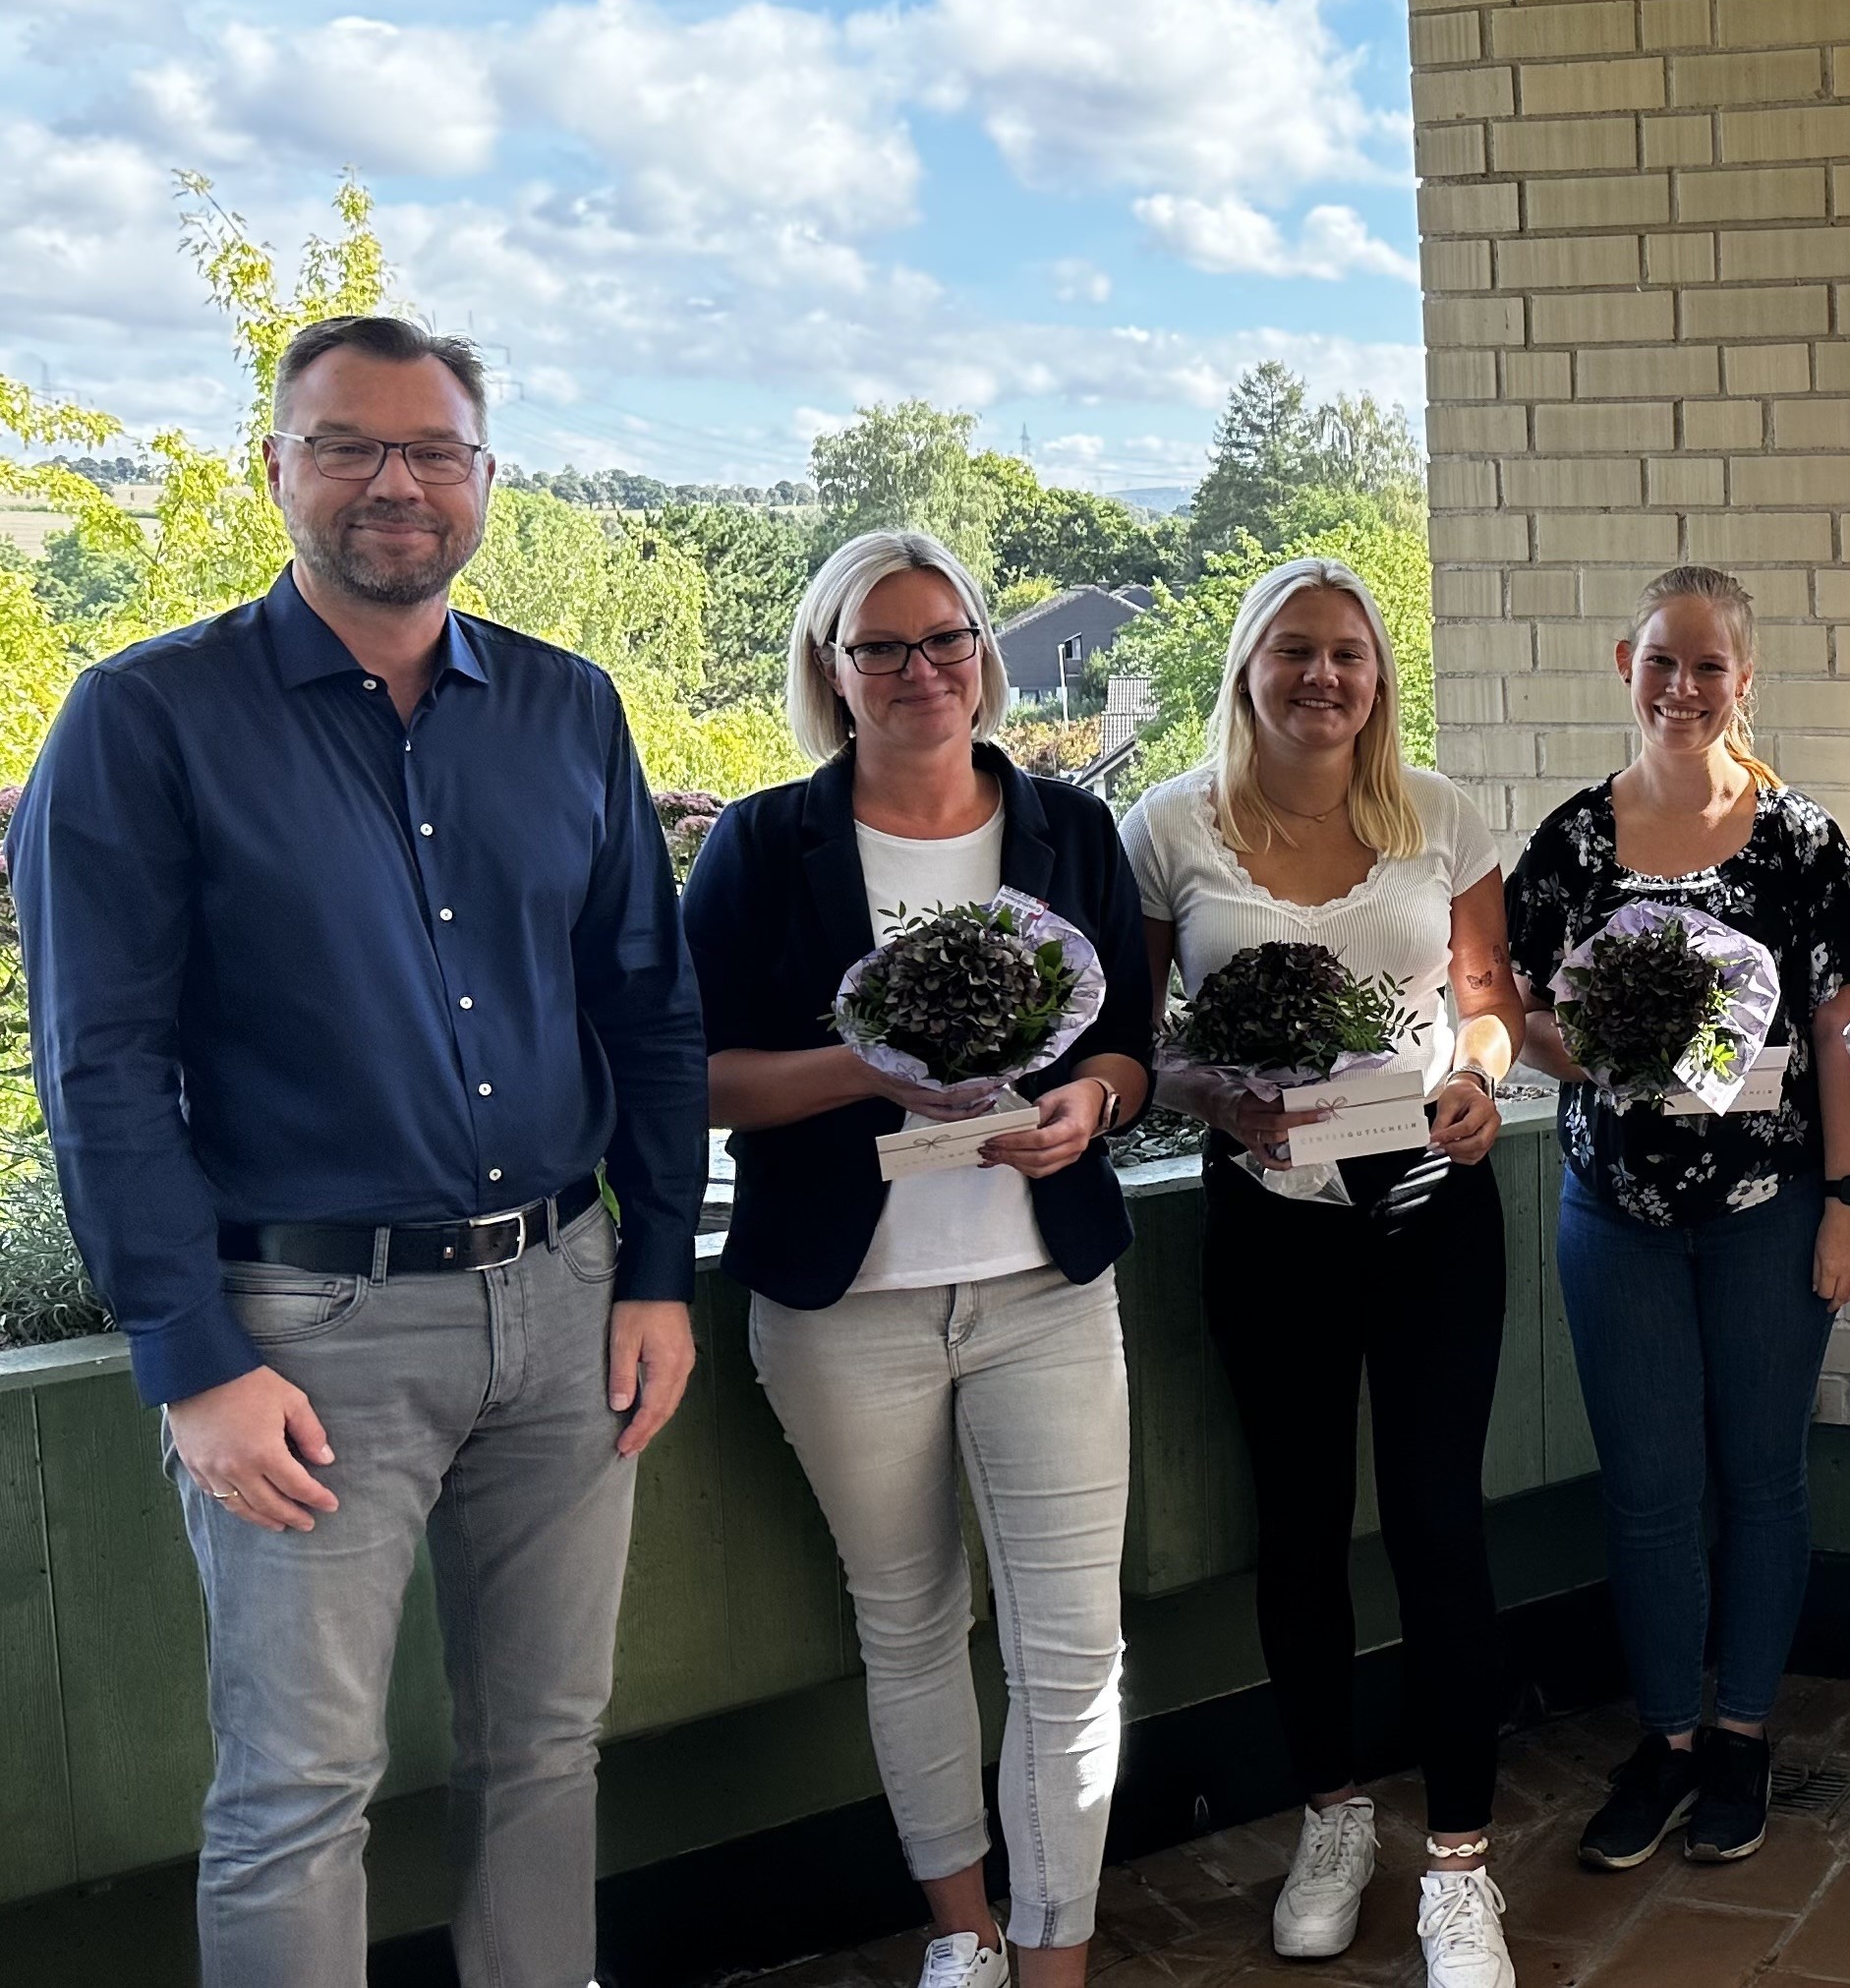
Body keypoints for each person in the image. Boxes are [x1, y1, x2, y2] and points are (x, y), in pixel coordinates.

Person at [10, 314, 706, 1985]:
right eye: (347, 445)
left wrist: (658, 1268)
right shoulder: (142, 719)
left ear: (485, 478)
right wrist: (192, 1358)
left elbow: (648, 1008)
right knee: (299, 1789)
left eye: (432, 450)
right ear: (276, 466)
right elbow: (102, 1066)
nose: (395, 482)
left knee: (549, 1744)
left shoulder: (567, 708)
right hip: (301, 1337)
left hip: (563, 1303)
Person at [681, 531, 1154, 1988]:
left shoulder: (1073, 828)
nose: (919, 671)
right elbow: (696, 1075)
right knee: (911, 1623)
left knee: (1075, 1645)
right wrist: (864, 1070)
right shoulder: (763, 844)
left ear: (983, 654)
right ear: (831, 670)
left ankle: (1058, 1953)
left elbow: (1129, 1046)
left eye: (944, 639)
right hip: (845, 1307)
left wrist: (1092, 1104)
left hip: (1044, 1289)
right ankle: (966, 1935)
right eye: (879, 647)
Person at [1123, 557, 1527, 1988]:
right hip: (1268, 1214)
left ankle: (1463, 1870)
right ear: (1247, 667)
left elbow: (1488, 1008)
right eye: (1294, 651)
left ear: (1379, 675)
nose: (1323, 677)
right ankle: (1333, 1817)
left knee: (1435, 1524)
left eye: (1348, 653)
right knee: (1297, 1529)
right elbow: (1136, 1038)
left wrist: (1477, 1080)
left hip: (1427, 1206)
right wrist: (1208, 1099)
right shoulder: (1167, 827)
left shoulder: (1444, 816)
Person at [1505, 562, 1850, 1874]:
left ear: (1745, 679)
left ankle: (1742, 1733)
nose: (1683, 687)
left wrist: (1849, 1201)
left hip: (1769, 1212)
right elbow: (1515, 1017)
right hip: (1613, 1214)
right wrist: (1604, 1055)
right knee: (1652, 1490)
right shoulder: (1568, 844)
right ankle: (1665, 1738)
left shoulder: (1802, 844)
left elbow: (1845, 1039)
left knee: (1763, 1481)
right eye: (1662, 661)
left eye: (1708, 666)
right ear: (1627, 663)